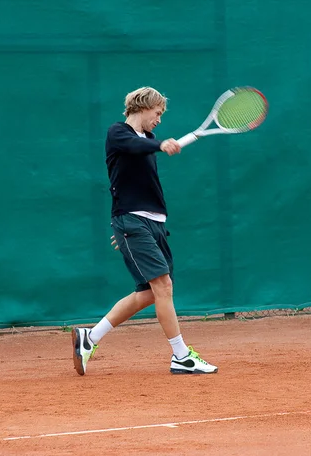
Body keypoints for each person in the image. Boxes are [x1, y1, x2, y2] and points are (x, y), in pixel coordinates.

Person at [72, 87, 217, 376]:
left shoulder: (149, 140)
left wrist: (132, 229)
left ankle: (90, 338)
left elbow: (143, 182)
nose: (159, 120)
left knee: (149, 293)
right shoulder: (119, 133)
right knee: (163, 287)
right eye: (158, 113)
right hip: (133, 222)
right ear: (142, 107)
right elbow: (134, 147)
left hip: (151, 224)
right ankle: (181, 356)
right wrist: (126, 224)